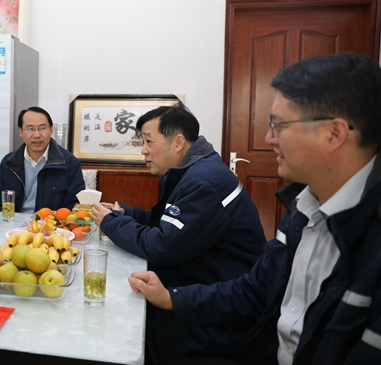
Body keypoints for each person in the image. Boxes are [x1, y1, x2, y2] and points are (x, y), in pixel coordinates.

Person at [129, 52, 381, 364]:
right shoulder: (302, 207)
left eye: (278, 124)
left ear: (335, 133)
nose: (268, 138)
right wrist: (172, 298)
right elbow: (254, 291)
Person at [91, 102, 266, 363]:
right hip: (199, 279)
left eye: (149, 141)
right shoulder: (192, 170)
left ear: (178, 143)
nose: (143, 150)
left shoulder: (202, 183)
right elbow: (165, 224)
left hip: (217, 304)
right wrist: (127, 213)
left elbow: (162, 246)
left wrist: (111, 223)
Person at [0, 107, 85, 212]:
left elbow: (74, 206)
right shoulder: (9, 162)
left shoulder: (70, 163)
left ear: (51, 130)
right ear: (20, 131)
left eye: (42, 128)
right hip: (14, 221)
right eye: (30, 129)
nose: (37, 135)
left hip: (52, 221)